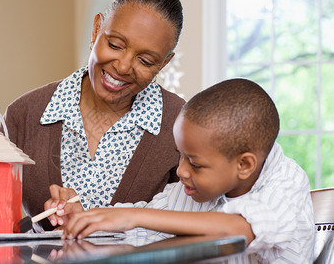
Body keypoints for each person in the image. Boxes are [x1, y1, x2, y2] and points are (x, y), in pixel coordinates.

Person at [59, 78, 315, 263]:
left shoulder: (287, 181)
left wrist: (133, 215)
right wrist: (86, 217)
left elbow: (238, 230)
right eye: (180, 156)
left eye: (195, 163)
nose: (181, 171)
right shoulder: (190, 191)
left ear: (244, 165)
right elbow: (140, 227)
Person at [2, 0, 185, 232]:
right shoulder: (24, 115)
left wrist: (98, 230)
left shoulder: (181, 126)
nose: (122, 66)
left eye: (145, 60)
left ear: (164, 63)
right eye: (115, 45)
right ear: (97, 28)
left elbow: (192, 228)